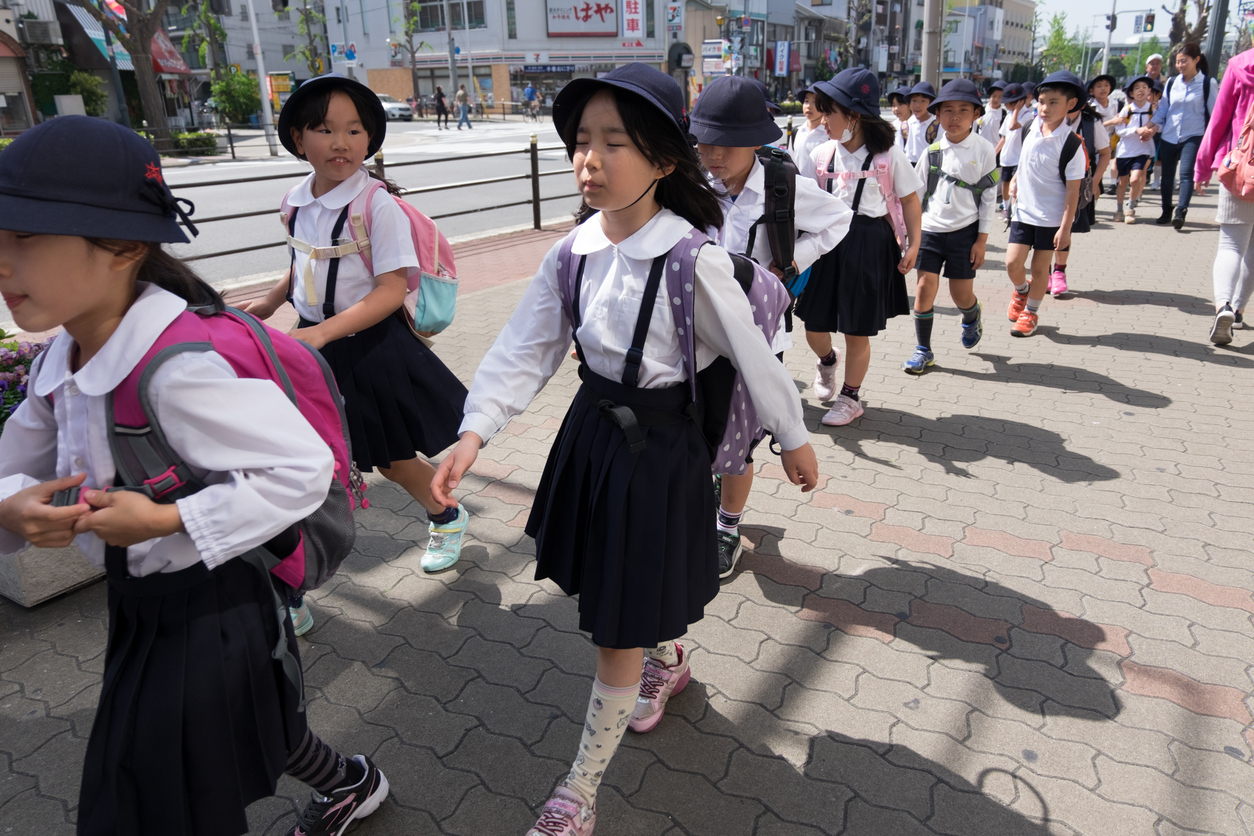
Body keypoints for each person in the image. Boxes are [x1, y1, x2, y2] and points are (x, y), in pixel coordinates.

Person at [430, 64, 819, 836]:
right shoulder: (571, 253)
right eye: (582, 140)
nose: (590, 158)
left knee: (615, 627)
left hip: (661, 456)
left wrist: (795, 438)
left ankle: (579, 794)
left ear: (665, 160)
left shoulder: (693, 261)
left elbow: (756, 355)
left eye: (615, 142)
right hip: (592, 438)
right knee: (626, 591)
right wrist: (475, 430)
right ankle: (666, 658)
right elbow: (525, 347)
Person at [0, 116, 389, 836]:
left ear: (123, 247)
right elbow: (12, 463)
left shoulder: (175, 370)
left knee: (155, 792)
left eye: (25, 238)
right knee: (249, 727)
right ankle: (351, 781)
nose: (2, 261)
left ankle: (349, 781)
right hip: (140, 603)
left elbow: (302, 469)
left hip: (216, 606)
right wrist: (9, 508)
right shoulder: (61, 359)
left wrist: (167, 519)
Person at [243, 75, 471, 578]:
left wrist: (322, 334)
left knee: (390, 457)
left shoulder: (377, 206)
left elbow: (391, 290)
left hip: (367, 347)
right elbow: (306, 261)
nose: (340, 142)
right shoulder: (295, 201)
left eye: (354, 130)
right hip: (311, 340)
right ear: (298, 138)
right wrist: (270, 302)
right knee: (301, 449)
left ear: (370, 140)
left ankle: (447, 515)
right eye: (324, 129)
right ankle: (290, 573)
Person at [691, 75, 850, 575]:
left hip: (760, 336)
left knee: (739, 442)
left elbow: (839, 218)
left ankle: (727, 527)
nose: (714, 154)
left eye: (727, 143)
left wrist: (792, 263)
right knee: (694, 430)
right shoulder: (691, 185)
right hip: (695, 333)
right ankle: (699, 504)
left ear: (756, 141)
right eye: (704, 141)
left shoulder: (783, 187)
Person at [799, 69, 922, 415]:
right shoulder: (821, 154)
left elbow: (910, 200)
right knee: (813, 325)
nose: (823, 120)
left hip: (869, 244)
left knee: (856, 329)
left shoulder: (888, 155)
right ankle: (828, 360)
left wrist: (914, 244)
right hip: (826, 244)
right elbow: (804, 199)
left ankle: (850, 398)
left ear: (853, 116)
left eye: (829, 112)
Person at [903, 79, 997, 373]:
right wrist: (909, 236)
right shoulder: (932, 152)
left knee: (961, 295)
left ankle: (971, 315)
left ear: (976, 114)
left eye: (963, 110)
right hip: (930, 230)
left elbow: (989, 198)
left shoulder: (984, 150)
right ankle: (923, 350)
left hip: (965, 233)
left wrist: (981, 240)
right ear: (938, 114)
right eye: (947, 111)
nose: (954, 117)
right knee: (923, 288)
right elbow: (916, 196)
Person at [1005, 71, 1087, 337]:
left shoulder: (1072, 144)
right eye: (1041, 101)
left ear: (1070, 104)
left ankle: (1031, 313)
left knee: (1041, 269)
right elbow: (1024, 161)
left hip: (1051, 218)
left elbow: (1073, 192)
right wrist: (1015, 178)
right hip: (1023, 212)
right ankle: (1022, 291)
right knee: (1012, 263)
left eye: (1053, 103)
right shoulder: (1029, 128)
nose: (1045, 108)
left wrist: (1065, 228)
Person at [1196, 45, 1254, 344]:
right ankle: (1240, 310)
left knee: (1231, 244)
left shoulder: (1241, 64)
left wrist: (1202, 166)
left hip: (1241, 168)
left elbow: (1219, 119)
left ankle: (1224, 306)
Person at [1047, 86, 1110, 296]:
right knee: (1044, 228)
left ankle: (1059, 272)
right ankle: (1044, 272)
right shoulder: (1043, 122)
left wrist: (1095, 182)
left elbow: (1105, 153)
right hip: (1048, 182)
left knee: (1065, 227)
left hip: (1078, 183)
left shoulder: (1092, 123)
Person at [1150, 42, 1217, 228]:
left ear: (1196, 60)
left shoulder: (1207, 83)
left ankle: (1181, 211)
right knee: (1167, 176)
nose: (1180, 65)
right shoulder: (1172, 83)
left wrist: (1213, 141)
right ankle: (1166, 211)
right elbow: (1163, 110)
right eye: (1178, 61)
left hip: (1193, 135)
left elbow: (1214, 114)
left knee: (1186, 174)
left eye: (1184, 61)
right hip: (1169, 135)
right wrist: (1149, 127)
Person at [1110, 75, 1157, 224]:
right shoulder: (1127, 109)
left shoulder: (1153, 109)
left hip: (1143, 150)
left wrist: (1152, 131)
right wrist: (1137, 130)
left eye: (1144, 87)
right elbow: (1119, 131)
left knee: (1135, 179)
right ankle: (1119, 210)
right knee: (1122, 182)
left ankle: (1130, 208)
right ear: (1131, 93)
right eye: (1136, 88)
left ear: (1149, 91)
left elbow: (1160, 124)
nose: (1140, 90)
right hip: (1125, 151)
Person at [997, 83, 1032, 221]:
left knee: (1016, 186)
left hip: (1019, 158)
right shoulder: (1009, 115)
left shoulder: (1028, 116)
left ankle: (1014, 210)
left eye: (1009, 103)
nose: (1006, 105)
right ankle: (1006, 208)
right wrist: (994, 152)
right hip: (1007, 156)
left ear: (1018, 102)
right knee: (1005, 183)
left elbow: (1013, 126)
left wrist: (1017, 110)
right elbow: (1004, 137)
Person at [1088, 74, 1119, 192]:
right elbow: (1090, 127)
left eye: (1106, 85)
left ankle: (1113, 183)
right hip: (1095, 146)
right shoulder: (1089, 107)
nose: (1103, 88)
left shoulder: (1117, 105)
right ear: (1092, 91)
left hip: (1112, 143)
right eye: (1099, 86)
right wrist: (1111, 122)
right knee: (1095, 172)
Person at [900, 81, 940, 163]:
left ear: (930, 103)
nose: (917, 105)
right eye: (914, 100)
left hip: (929, 166)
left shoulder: (937, 126)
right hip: (909, 166)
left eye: (923, 101)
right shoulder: (906, 125)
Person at [793, 85, 829, 158]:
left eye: (815, 102)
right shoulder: (796, 131)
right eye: (806, 101)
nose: (808, 106)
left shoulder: (830, 135)